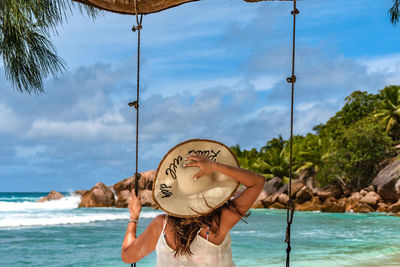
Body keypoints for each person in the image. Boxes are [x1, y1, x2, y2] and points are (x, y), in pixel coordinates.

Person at [121, 139, 265, 267]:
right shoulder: (218, 224)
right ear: (211, 191)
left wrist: (133, 217)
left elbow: (128, 256)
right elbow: (257, 182)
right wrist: (215, 166)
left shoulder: (161, 225)